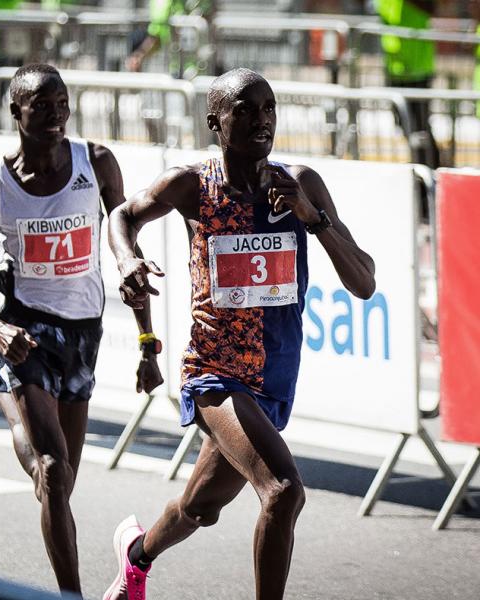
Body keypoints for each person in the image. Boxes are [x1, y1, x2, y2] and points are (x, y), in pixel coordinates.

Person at [103, 68, 376, 600]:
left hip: (275, 378)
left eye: (268, 109)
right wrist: (126, 258)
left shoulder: (300, 183)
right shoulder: (191, 185)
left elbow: (363, 281)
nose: (260, 121)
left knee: (198, 508)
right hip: (216, 372)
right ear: (214, 121)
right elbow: (122, 216)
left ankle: (135, 557)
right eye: (245, 110)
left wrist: (309, 215)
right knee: (282, 491)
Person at [0, 63, 163, 597]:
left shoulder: (98, 163)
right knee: (52, 472)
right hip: (25, 332)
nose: (54, 114)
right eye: (40, 105)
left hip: (83, 336)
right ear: (15, 112)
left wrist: (146, 344)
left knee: (62, 483)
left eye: (61, 103)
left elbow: (125, 247)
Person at [376, 0, 440, 167]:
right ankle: (421, 171)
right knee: (404, 126)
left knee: (420, 129)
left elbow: (432, 7)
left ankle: (430, 173)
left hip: (418, 70)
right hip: (394, 70)